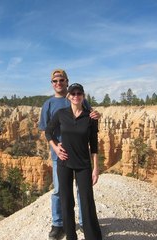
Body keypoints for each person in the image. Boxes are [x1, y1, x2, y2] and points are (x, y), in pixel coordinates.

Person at [39, 69, 100, 240]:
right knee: (60, 191)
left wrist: (97, 115)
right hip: (60, 155)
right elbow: (46, 129)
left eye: (61, 80)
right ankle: (58, 224)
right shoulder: (49, 105)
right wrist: (56, 148)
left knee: (83, 193)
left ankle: (83, 222)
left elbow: (91, 117)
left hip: (80, 154)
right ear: (52, 83)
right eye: (55, 81)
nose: (58, 83)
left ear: (66, 81)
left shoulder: (81, 100)